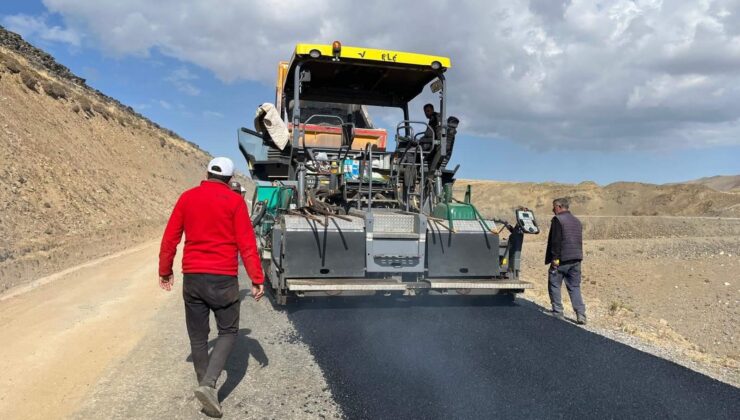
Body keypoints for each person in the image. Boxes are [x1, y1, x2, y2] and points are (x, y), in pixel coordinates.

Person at [159, 157, 265, 417]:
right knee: (228, 331)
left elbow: (171, 237)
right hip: (223, 279)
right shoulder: (235, 202)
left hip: (193, 278)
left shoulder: (187, 198)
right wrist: (256, 278)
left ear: (206, 174)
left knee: (198, 337)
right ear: (229, 180)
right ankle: (208, 385)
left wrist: (165, 271)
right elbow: (247, 244)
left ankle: (205, 388)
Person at [543, 197, 587, 325]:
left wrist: (555, 259)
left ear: (559, 206)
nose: (553, 209)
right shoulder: (577, 221)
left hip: (561, 259)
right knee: (574, 287)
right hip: (576, 258)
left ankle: (558, 312)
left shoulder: (558, 220)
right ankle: (581, 315)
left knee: (554, 283)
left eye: (554, 207)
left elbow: (556, 241)